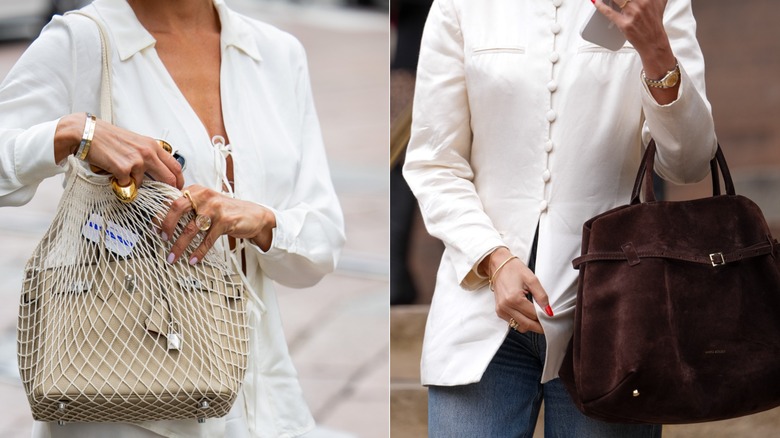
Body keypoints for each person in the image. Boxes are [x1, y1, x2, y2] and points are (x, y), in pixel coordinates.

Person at [0, 0, 345, 436]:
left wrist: (261, 221)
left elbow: (322, 242)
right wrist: (74, 133)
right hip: (123, 396)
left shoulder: (276, 53)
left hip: (264, 400)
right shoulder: (82, 41)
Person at [402, 0, 716, 436]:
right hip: (480, 309)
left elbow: (689, 163)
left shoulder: (657, 4)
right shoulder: (460, 5)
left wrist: (656, 50)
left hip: (615, 320)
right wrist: (494, 258)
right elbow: (434, 163)